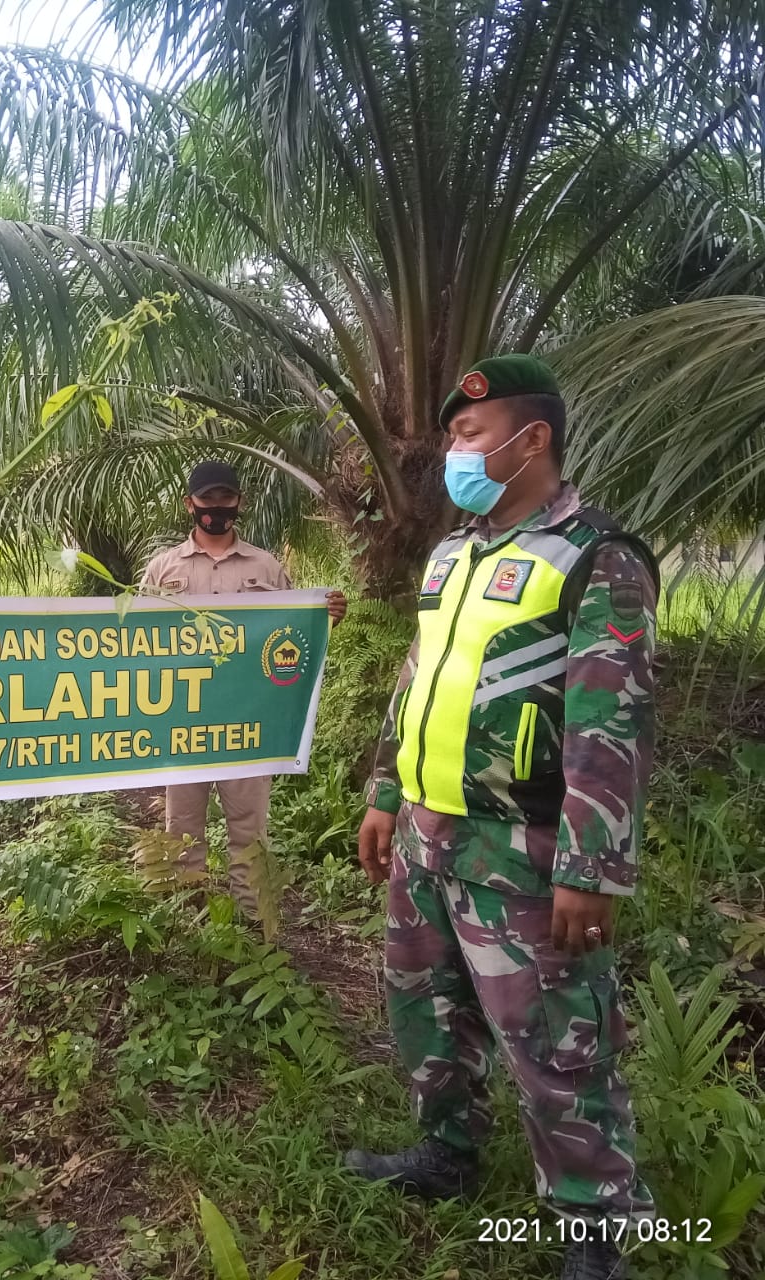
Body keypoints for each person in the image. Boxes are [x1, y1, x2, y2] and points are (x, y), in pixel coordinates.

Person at [346, 356, 658, 1280]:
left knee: (555, 1040)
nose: (453, 451)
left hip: (522, 848)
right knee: (426, 1010)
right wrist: (381, 791)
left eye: (471, 437)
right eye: (453, 437)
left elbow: (616, 718)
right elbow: (418, 680)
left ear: (534, 441)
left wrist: (588, 866)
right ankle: (446, 1152)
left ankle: (598, 1222)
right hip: (426, 834)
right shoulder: (456, 554)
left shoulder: (597, 556)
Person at [140, 460, 347, 917]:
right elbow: (137, 641)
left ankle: (255, 929)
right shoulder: (162, 569)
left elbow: (292, 633)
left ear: (239, 502)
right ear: (189, 504)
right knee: (182, 831)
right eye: (207, 499)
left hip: (248, 723)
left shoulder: (267, 567)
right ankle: (186, 927)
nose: (216, 507)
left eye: (225, 498)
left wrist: (322, 614)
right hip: (183, 721)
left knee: (250, 832)